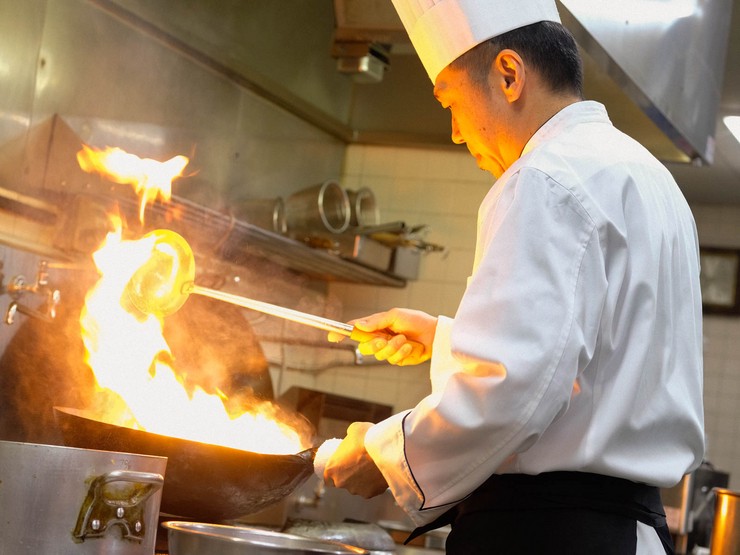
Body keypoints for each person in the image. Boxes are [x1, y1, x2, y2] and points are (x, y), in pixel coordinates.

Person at [322, 1, 704, 553]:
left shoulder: (545, 176)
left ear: (508, 74)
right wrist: (446, 339)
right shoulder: (648, 176)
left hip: (547, 535)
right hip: (626, 533)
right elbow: (599, 358)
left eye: (451, 103)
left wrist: (384, 454)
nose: (456, 132)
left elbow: (510, 389)